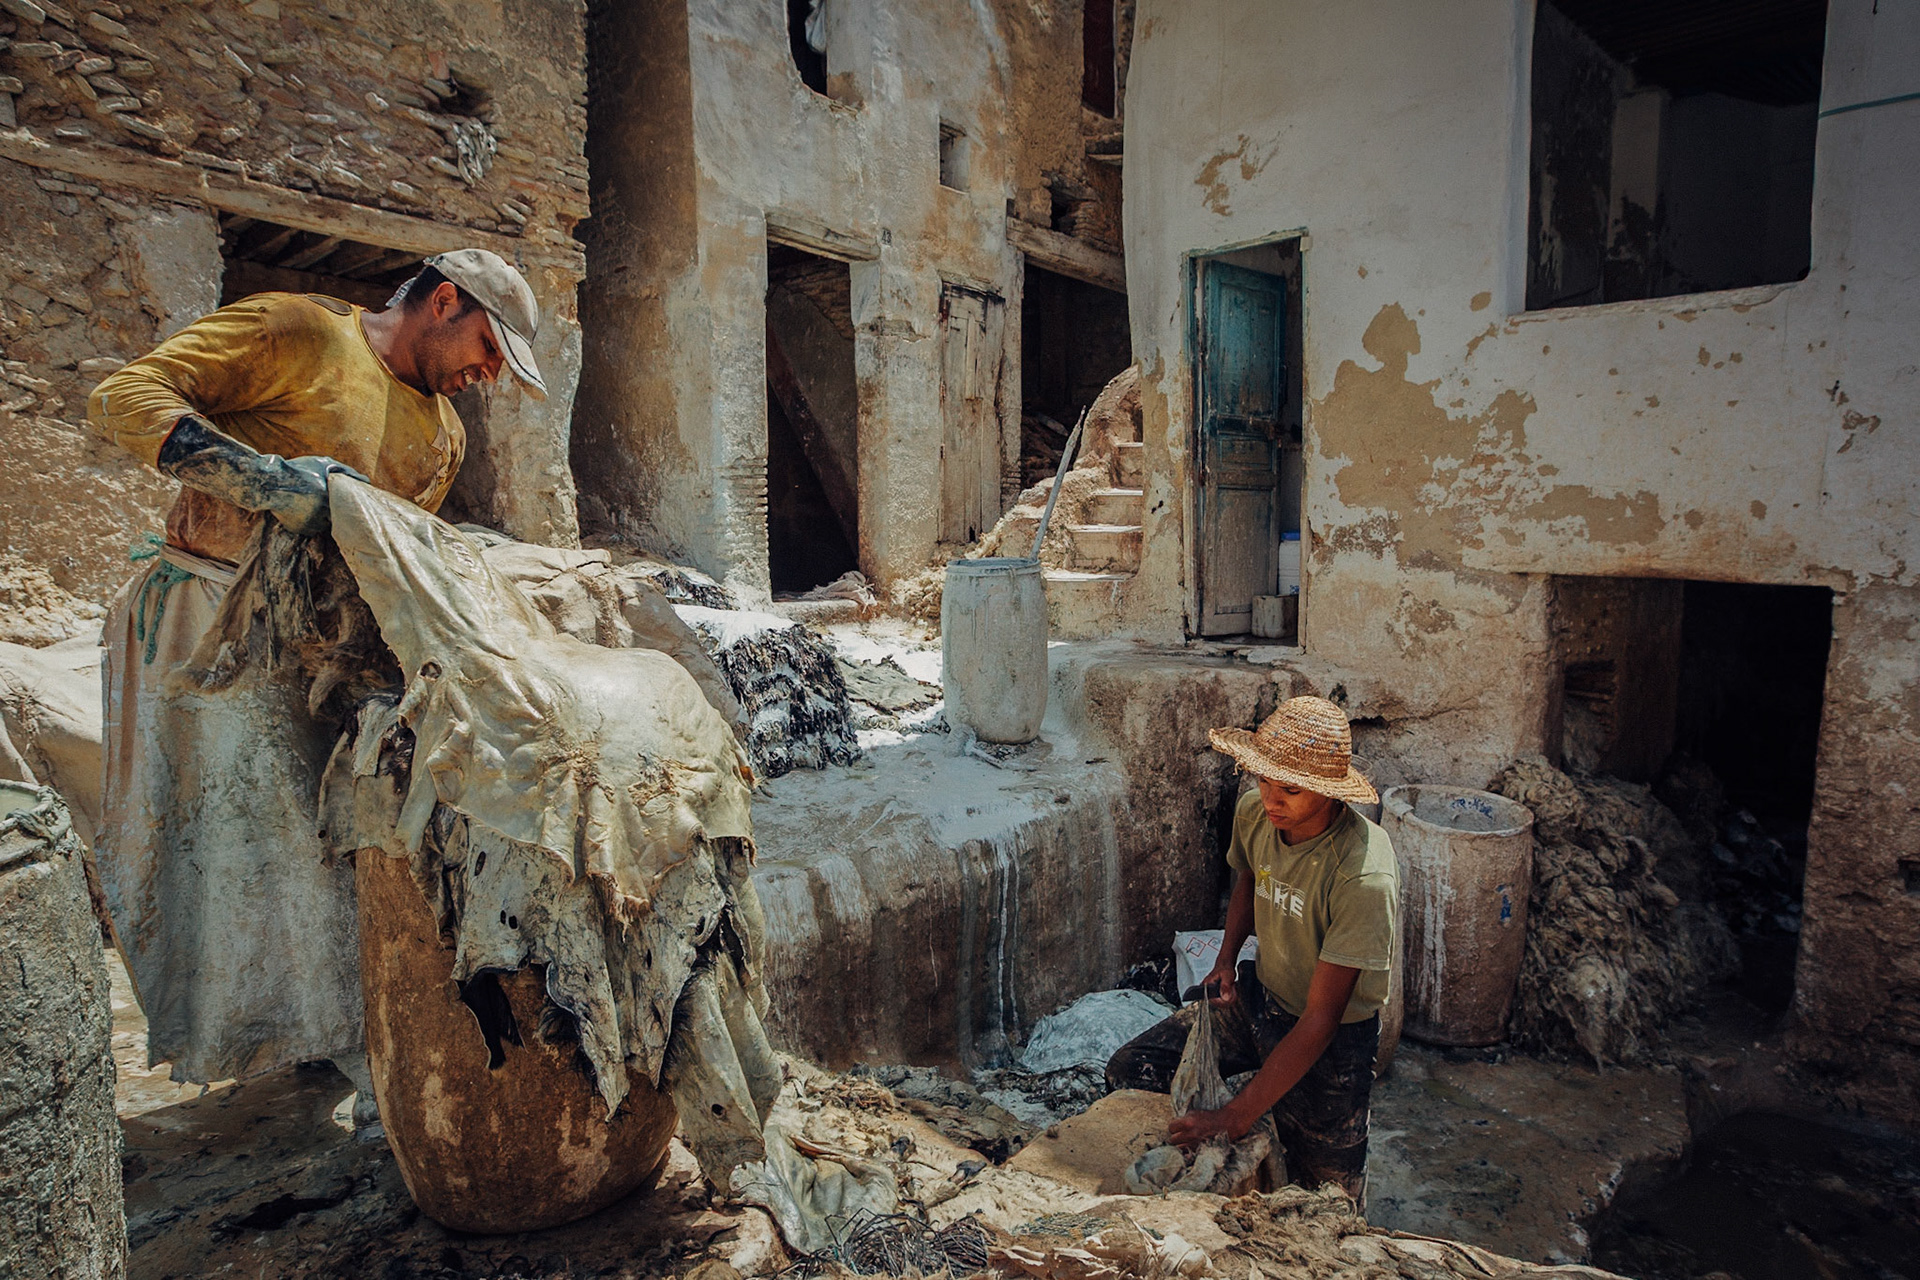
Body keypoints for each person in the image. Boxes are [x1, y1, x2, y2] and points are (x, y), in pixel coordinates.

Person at [86, 248, 546, 1103]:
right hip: (209, 623)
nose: (487, 376)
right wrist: (259, 479)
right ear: (443, 301)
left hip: (320, 649)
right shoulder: (298, 331)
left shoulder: (442, 437)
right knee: (251, 845)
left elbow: (391, 561)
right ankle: (296, 1036)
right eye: (487, 349)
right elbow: (122, 396)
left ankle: (323, 1033)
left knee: (337, 839)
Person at [1106, 695, 1398, 1202]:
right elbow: (1248, 877)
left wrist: (1233, 1117)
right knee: (1133, 1067)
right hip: (1260, 998)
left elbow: (1321, 1020)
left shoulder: (1362, 873)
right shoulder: (1257, 813)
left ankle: (1269, 1124)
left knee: (1326, 1202)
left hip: (1333, 1041)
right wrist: (1226, 962)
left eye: (1289, 789)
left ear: (1330, 794)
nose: (1271, 800)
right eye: (1262, 779)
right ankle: (1251, 1126)